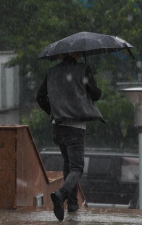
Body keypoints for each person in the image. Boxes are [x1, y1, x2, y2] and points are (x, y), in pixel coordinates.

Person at [36, 52, 104, 221]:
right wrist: (94, 85)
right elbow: (95, 95)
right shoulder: (83, 70)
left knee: (68, 165)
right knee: (77, 168)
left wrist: (53, 112)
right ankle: (61, 194)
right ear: (75, 54)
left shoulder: (52, 72)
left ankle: (72, 204)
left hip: (57, 128)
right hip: (75, 128)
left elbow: (39, 97)